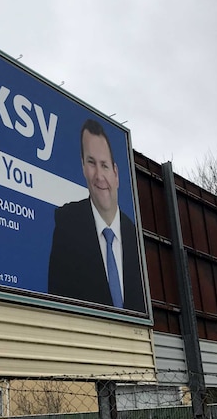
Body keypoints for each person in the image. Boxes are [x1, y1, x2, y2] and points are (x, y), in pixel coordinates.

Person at [47, 119, 146, 313]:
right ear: (83, 167)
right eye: (92, 163)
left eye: (105, 165)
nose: (99, 176)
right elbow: (58, 305)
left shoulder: (134, 237)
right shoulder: (67, 223)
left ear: (116, 174)